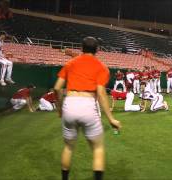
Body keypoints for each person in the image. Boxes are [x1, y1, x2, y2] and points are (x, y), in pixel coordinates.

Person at [54, 37, 121, 180]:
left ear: (81, 48)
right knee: (98, 148)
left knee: (68, 148)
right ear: (97, 50)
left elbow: (57, 88)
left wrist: (59, 109)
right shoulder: (102, 67)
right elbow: (101, 93)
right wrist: (111, 118)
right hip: (88, 103)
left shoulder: (70, 63)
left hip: (69, 103)